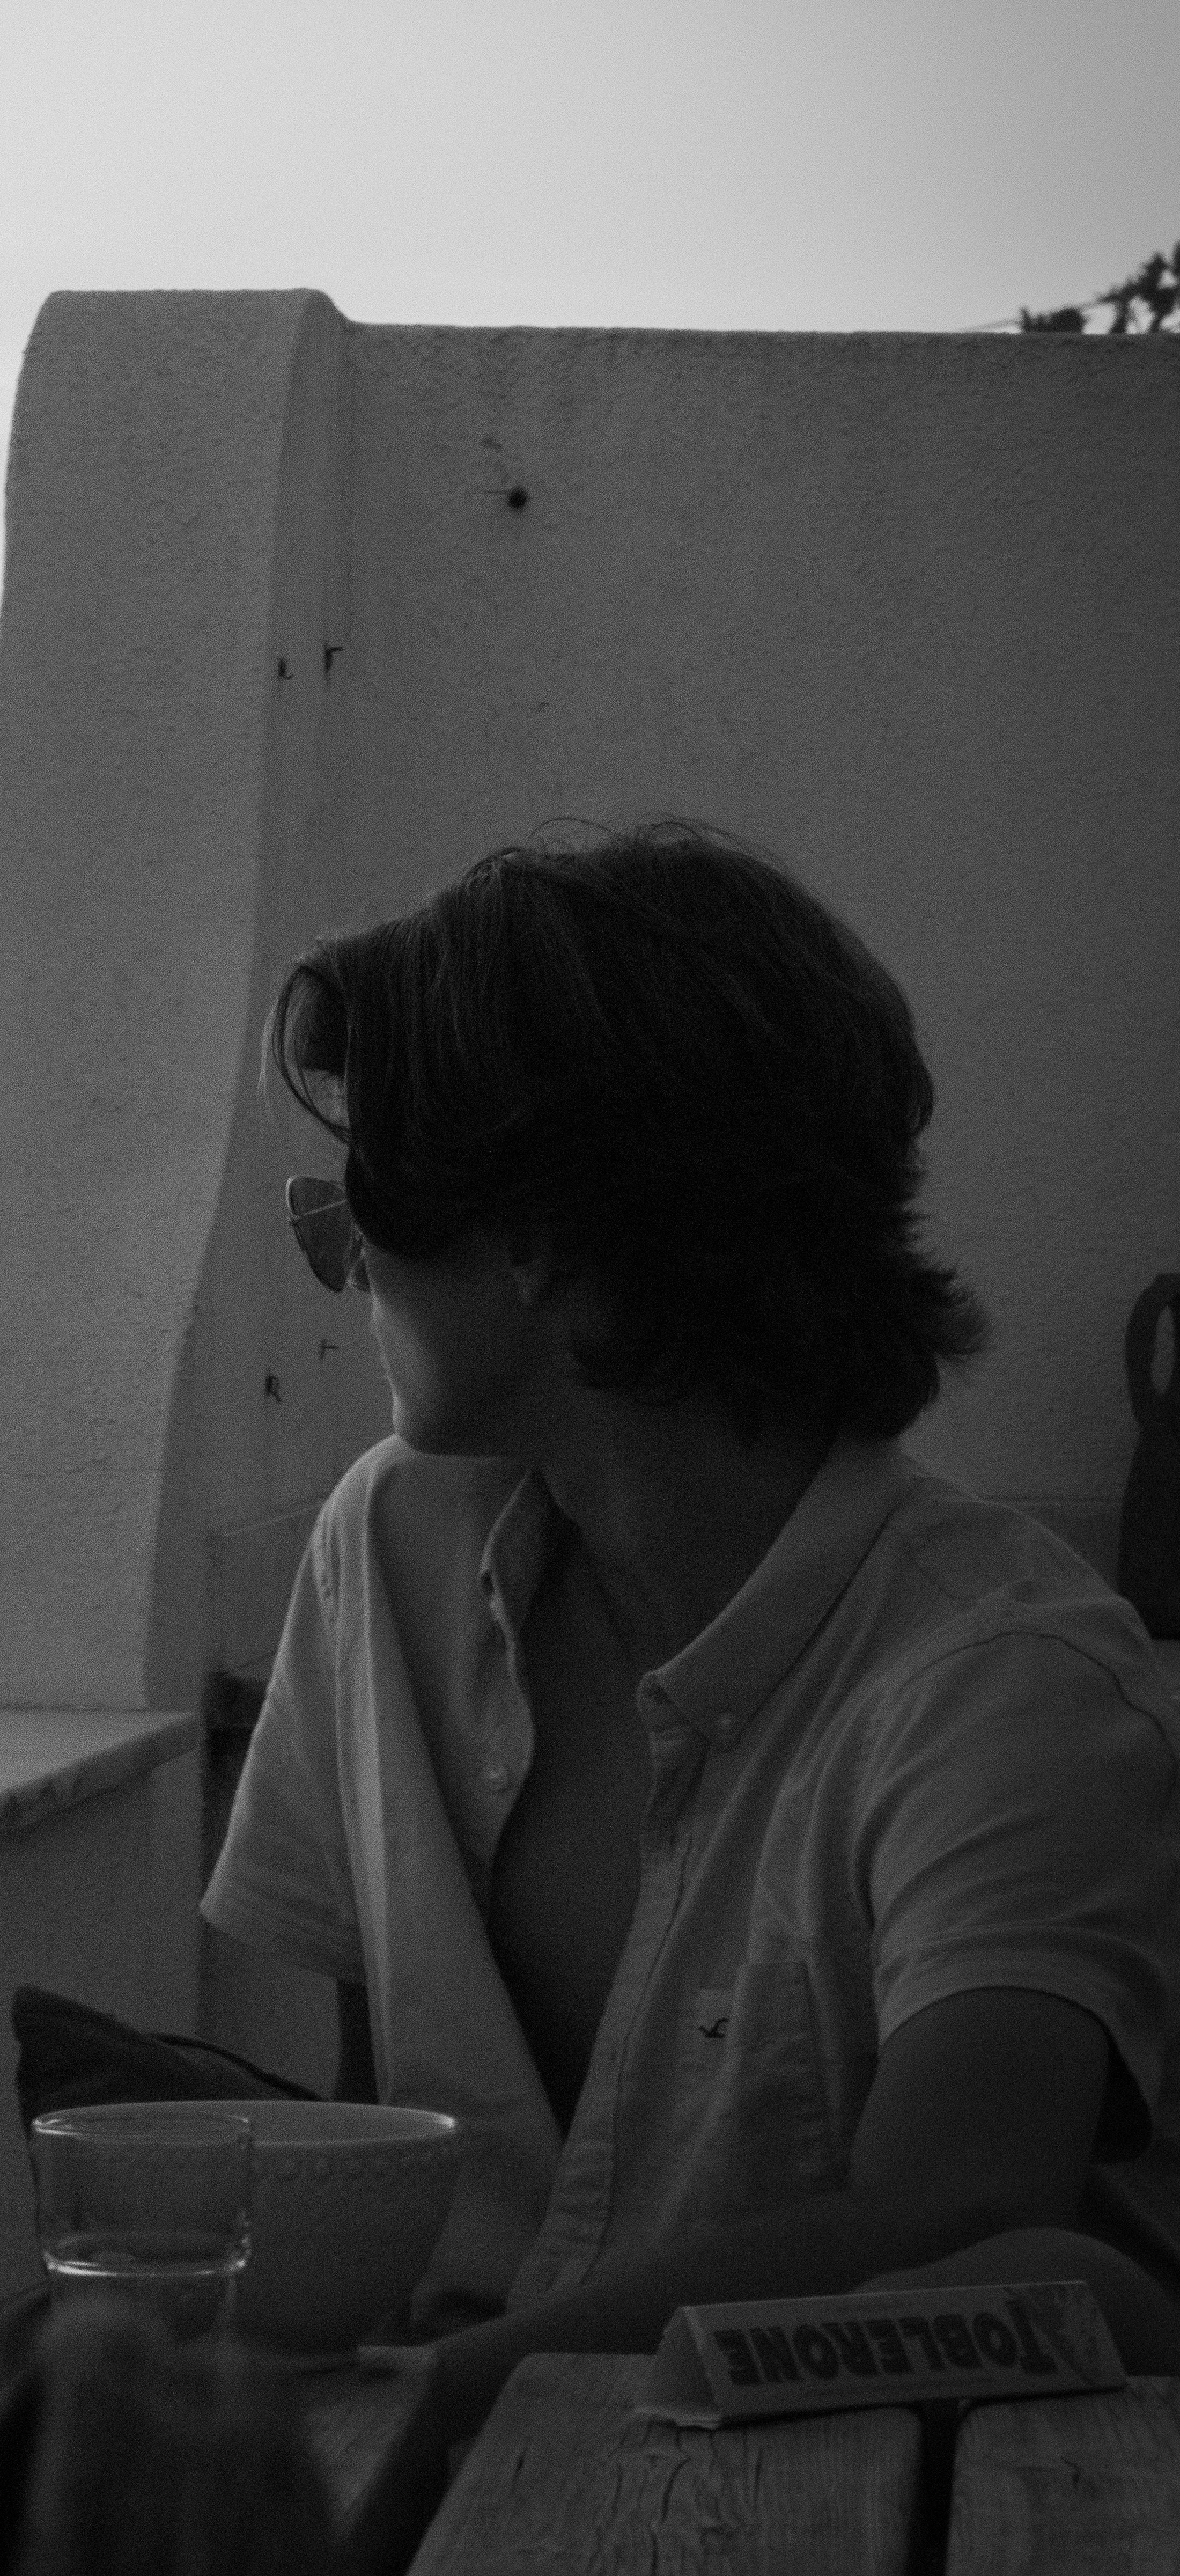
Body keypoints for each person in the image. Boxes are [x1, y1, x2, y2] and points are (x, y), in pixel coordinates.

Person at [203, 822, 1180, 2435]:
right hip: (436, 2495)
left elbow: (957, 2214)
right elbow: (390, 2155)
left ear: (544, 1244)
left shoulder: (1003, 1683)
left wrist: (433, 2406)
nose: (339, 1255)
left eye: (355, 1200)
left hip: (828, 2531)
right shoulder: (384, 1554)